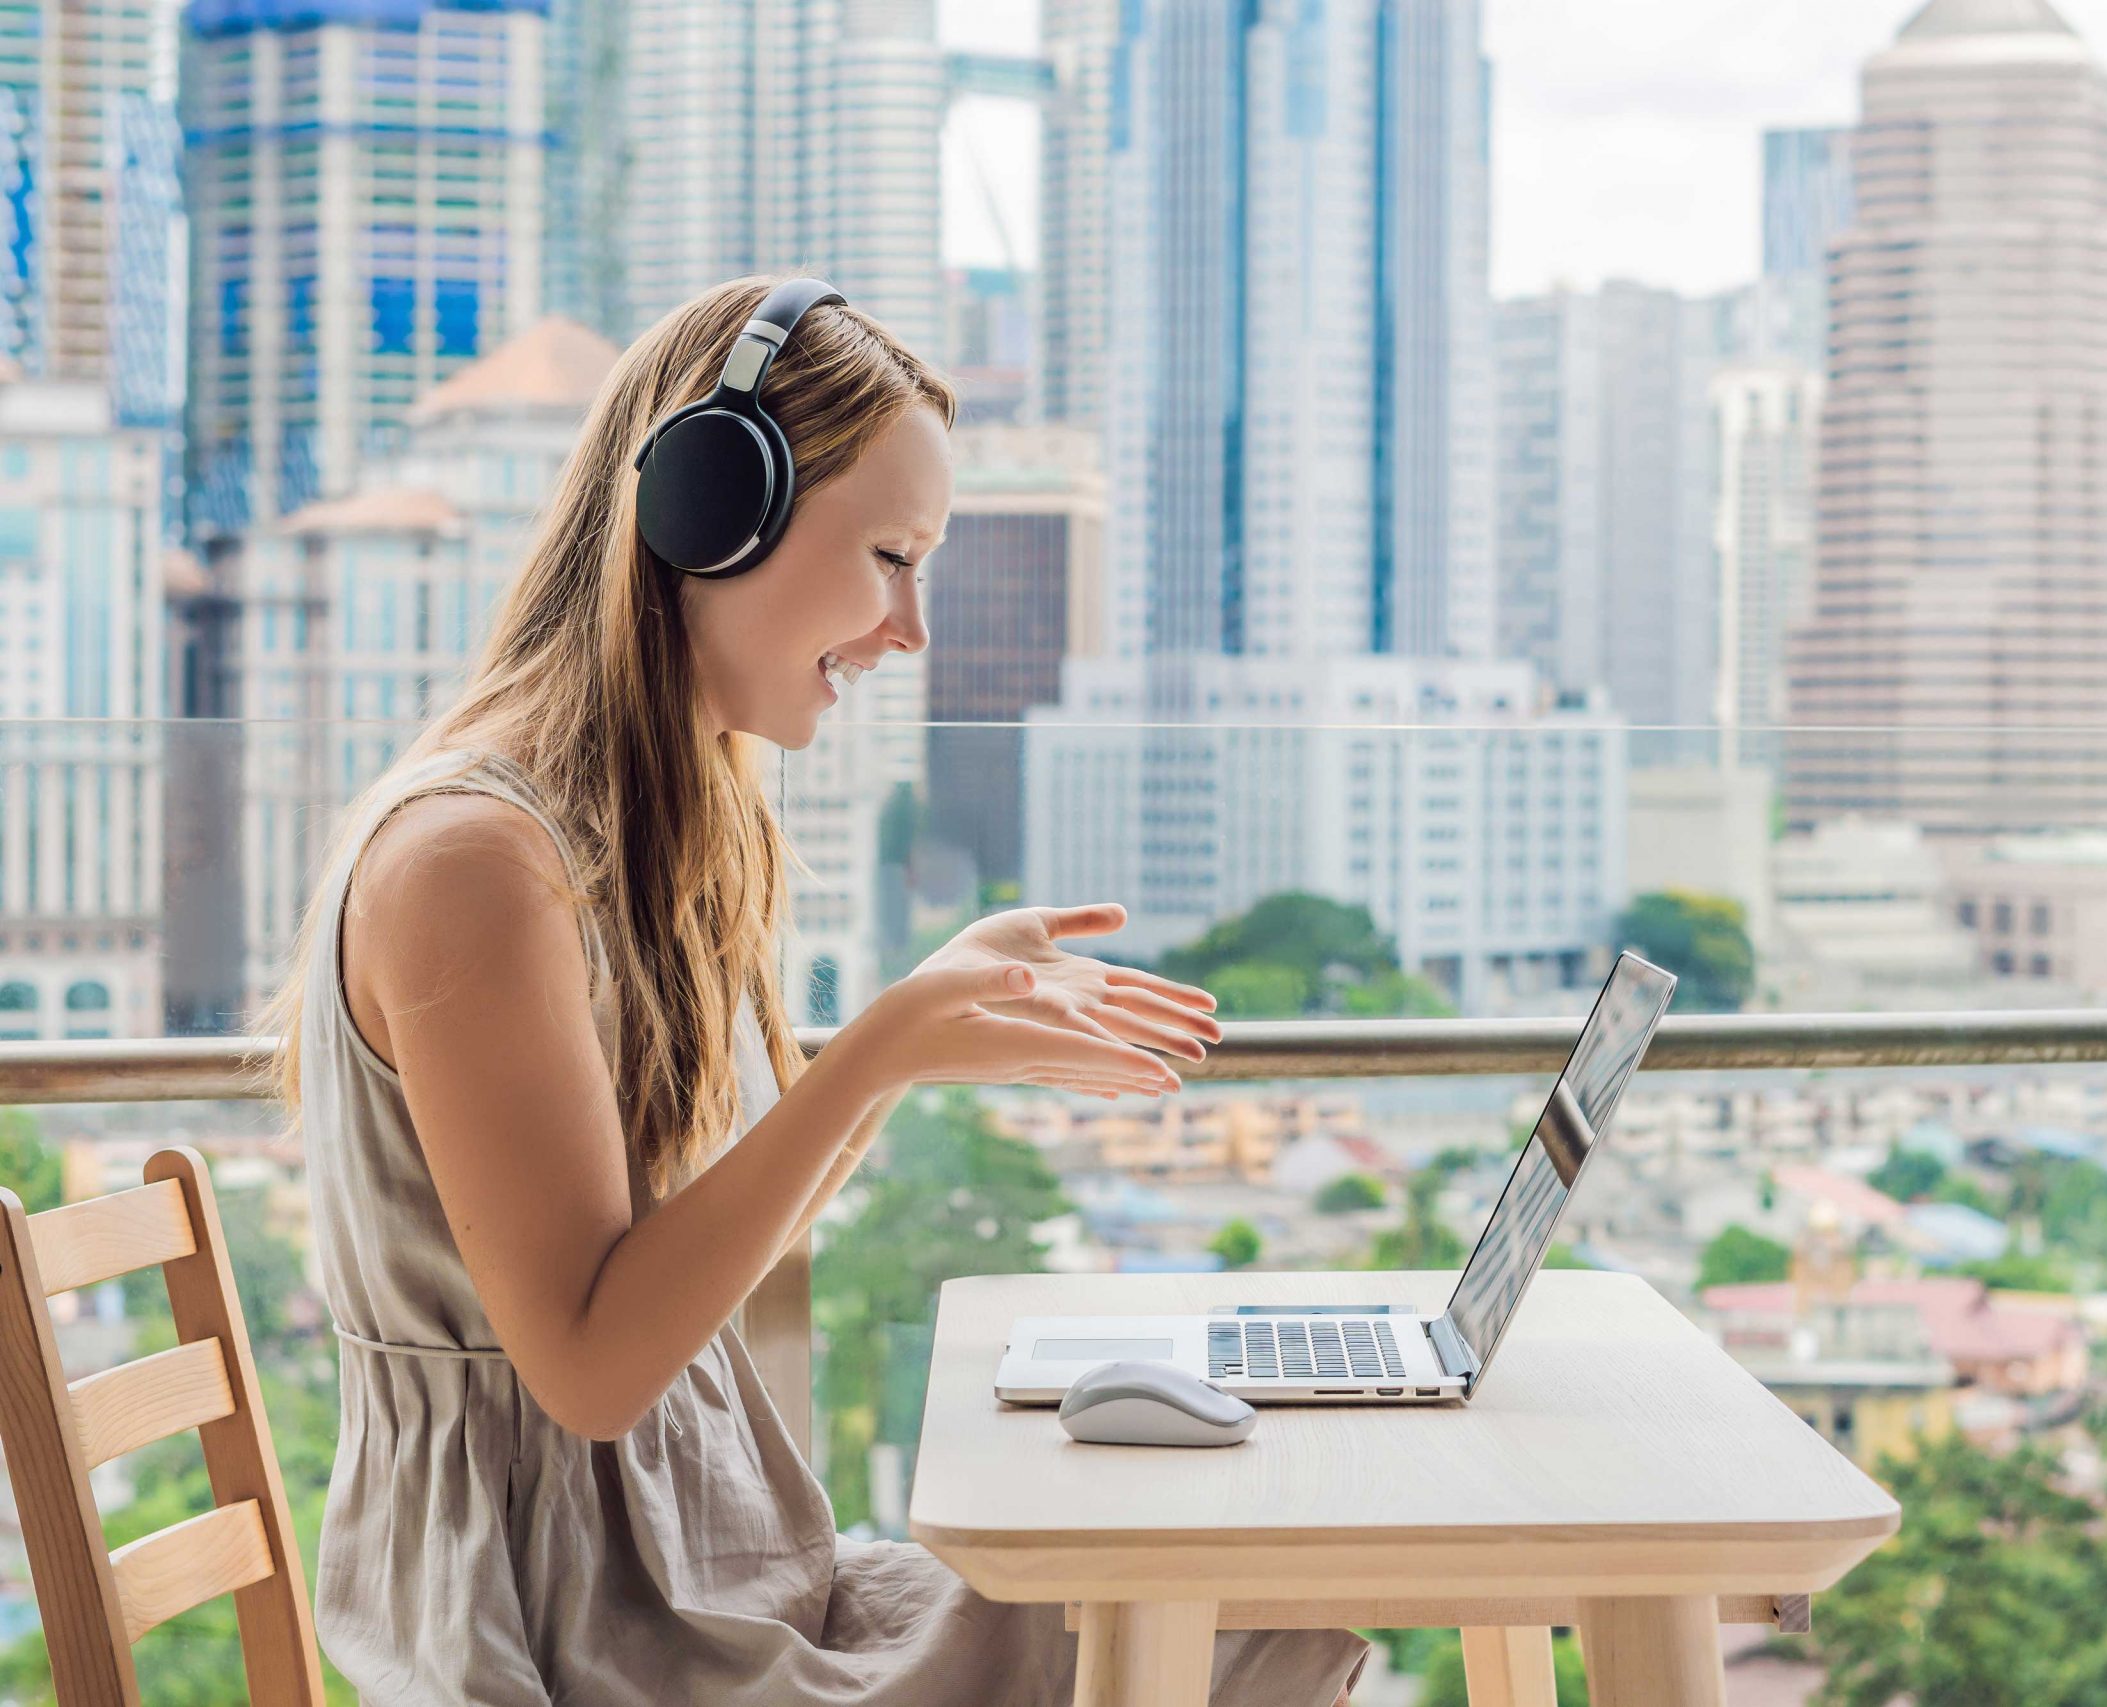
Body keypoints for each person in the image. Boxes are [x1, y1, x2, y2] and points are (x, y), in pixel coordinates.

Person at [254, 277, 1369, 1705]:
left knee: (1263, 1589)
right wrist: (881, 1050)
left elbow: (679, 1250)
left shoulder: (647, 822)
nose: (910, 630)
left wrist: (906, 1046)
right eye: (892, 557)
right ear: (710, 513)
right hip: (579, 1633)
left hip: (722, 1579)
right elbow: (593, 1370)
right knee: (1240, 1620)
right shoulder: (474, 863)